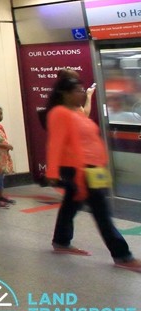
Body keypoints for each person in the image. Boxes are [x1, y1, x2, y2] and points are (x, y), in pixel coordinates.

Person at [45, 74, 141, 270]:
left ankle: (61, 241)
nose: (82, 93)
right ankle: (122, 255)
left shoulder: (77, 112)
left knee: (70, 205)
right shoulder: (59, 113)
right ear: (65, 93)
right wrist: (52, 172)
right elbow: (55, 144)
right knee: (101, 211)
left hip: (92, 167)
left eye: (82, 90)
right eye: (78, 91)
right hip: (79, 168)